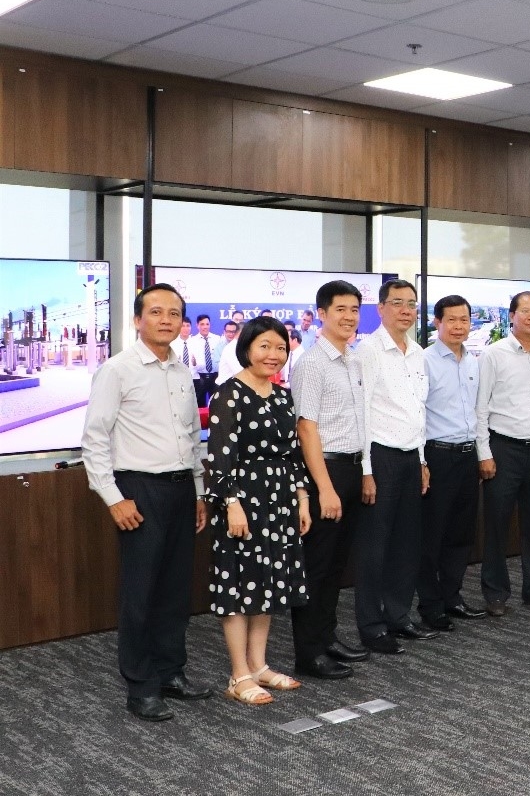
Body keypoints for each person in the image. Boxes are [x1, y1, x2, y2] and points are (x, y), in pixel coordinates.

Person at [81, 283, 211, 722]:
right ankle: (141, 685)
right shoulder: (117, 370)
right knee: (141, 592)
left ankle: (171, 672)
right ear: (138, 320)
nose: (166, 320)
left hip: (180, 489)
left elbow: (191, 437)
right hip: (138, 490)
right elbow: (94, 439)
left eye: (174, 313)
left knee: (175, 590)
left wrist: (198, 492)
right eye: (156, 312)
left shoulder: (182, 371)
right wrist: (113, 498)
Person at [206, 316, 312, 706]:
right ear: (247, 348)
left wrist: (302, 498)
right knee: (239, 584)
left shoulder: (283, 396)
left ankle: (259, 664)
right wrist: (231, 503)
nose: (273, 354)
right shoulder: (228, 394)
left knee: (267, 582)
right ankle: (239, 675)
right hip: (242, 500)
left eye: (280, 347)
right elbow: (219, 457)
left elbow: (292, 453)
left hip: (279, 499)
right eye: (264, 346)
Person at [289, 280, 369, 680]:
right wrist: (324, 488)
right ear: (321, 314)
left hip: (351, 468)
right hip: (326, 471)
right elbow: (306, 428)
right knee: (317, 567)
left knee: (338, 564)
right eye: (340, 309)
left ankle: (327, 637)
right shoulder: (311, 363)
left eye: (354, 309)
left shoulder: (353, 359)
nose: (349, 317)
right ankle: (309, 653)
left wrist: (365, 472)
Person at [354, 279, 433, 653]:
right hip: (379, 457)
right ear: (381, 308)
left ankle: (399, 616)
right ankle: (371, 626)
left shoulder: (417, 352)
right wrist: (366, 469)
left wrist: (422, 459)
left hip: (410, 456)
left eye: (411, 304)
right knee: (375, 546)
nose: (406, 310)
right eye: (397, 302)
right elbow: (362, 413)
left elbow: (418, 410)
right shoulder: (367, 351)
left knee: (406, 542)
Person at [475, 291, 530, 615]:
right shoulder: (493, 354)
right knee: (497, 523)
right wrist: (484, 453)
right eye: (525, 311)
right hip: (504, 449)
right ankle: (495, 593)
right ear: (512, 315)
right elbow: (480, 407)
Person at [418, 295, 484, 631]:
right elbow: (416, 414)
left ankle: (452, 597)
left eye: (464, 320)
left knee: (461, 532)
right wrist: (421, 461)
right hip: (438, 455)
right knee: (433, 534)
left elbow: (477, 411)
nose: (459, 326)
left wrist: (481, 454)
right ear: (437, 322)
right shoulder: (424, 361)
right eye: (452, 320)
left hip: (467, 455)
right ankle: (430, 606)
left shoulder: (473, 361)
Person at [193, 313, 223, 406]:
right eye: (202, 324)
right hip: (200, 376)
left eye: (207, 324)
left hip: (215, 376)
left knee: (216, 404)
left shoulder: (218, 339)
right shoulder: (192, 341)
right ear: (197, 325)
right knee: (199, 404)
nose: (205, 327)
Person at [215, 320, 243, 386]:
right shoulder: (231, 348)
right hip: (225, 387)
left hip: (232, 385)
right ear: (240, 332)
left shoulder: (238, 346)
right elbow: (238, 370)